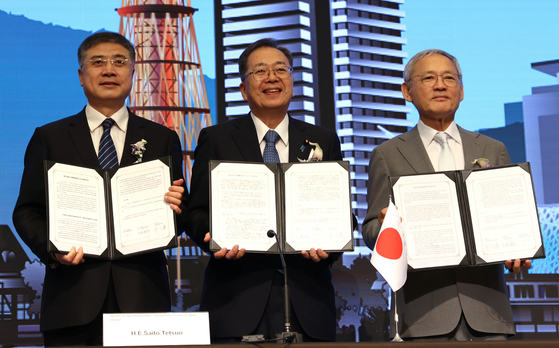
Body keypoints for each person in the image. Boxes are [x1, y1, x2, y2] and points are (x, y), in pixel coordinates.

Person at [12, 32, 188, 346]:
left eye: (120, 62)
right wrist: (54, 250)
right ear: (82, 75)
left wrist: (178, 207)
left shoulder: (162, 138)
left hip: (143, 299)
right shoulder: (50, 137)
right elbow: (27, 210)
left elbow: (177, 215)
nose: (109, 70)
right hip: (71, 300)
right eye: (98, 62)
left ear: (133, 73)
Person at [362, 49, 531, 341]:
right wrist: (386, 226)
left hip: (488, 313)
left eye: (449, 78)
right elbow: (369, 231)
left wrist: (519, 248)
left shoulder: (492, 150)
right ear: (407, 91)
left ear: (461, 91)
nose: (440, 85)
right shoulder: (387, 155)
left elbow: (508, 221)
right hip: (423, 316)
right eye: (428, 78)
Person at [185, 38, 343, 343]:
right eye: (260, 71)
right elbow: (196, 213)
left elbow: (339, 214)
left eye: (280, 69)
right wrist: (213, 236)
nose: (272, 77)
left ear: (292, 82)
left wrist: (331, 245)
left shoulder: (322, 139)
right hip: (236, 298)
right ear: (244, 89)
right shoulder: (216, 139)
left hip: (307, 300)